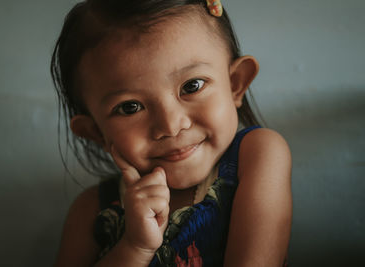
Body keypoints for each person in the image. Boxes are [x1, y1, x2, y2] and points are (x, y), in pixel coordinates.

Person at [50, 0, 292, 266]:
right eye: (131, 107)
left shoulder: (257, 155)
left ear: (236, 84)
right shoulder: (91, 211)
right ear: (95, 131)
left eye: (192, 86)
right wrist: (134, 246)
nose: (171, 126)